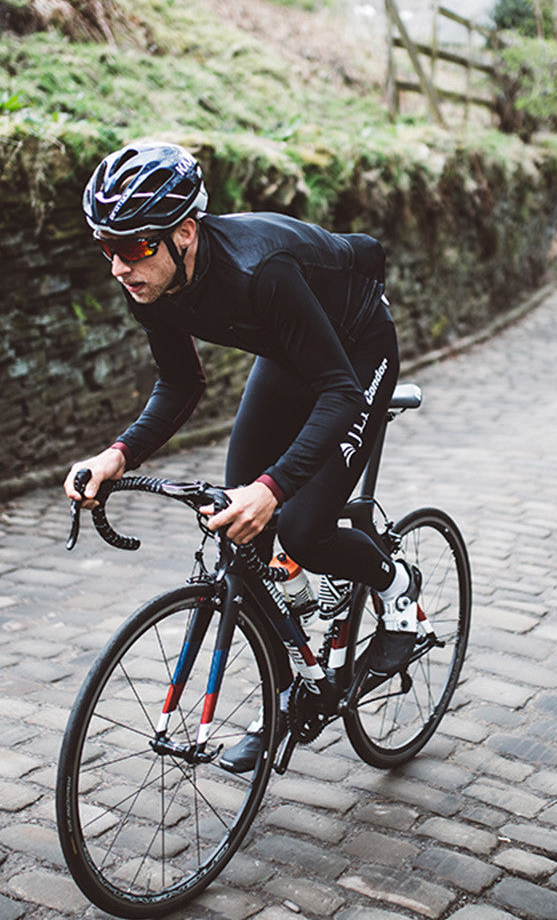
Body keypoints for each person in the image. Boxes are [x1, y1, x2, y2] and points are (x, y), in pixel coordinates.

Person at [62, 140, 421, 771]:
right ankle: (292, 687)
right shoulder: (148, 280)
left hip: (357, 351)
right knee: (239, 530)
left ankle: (398, 592)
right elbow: (180, 384)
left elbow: (338, 392)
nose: (119, 266)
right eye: (106, 247)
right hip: (289, 355)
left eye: (136, 245)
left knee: (304, 529)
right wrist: (118, 454)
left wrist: (275, 489)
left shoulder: (262, 271)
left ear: (185, 234)